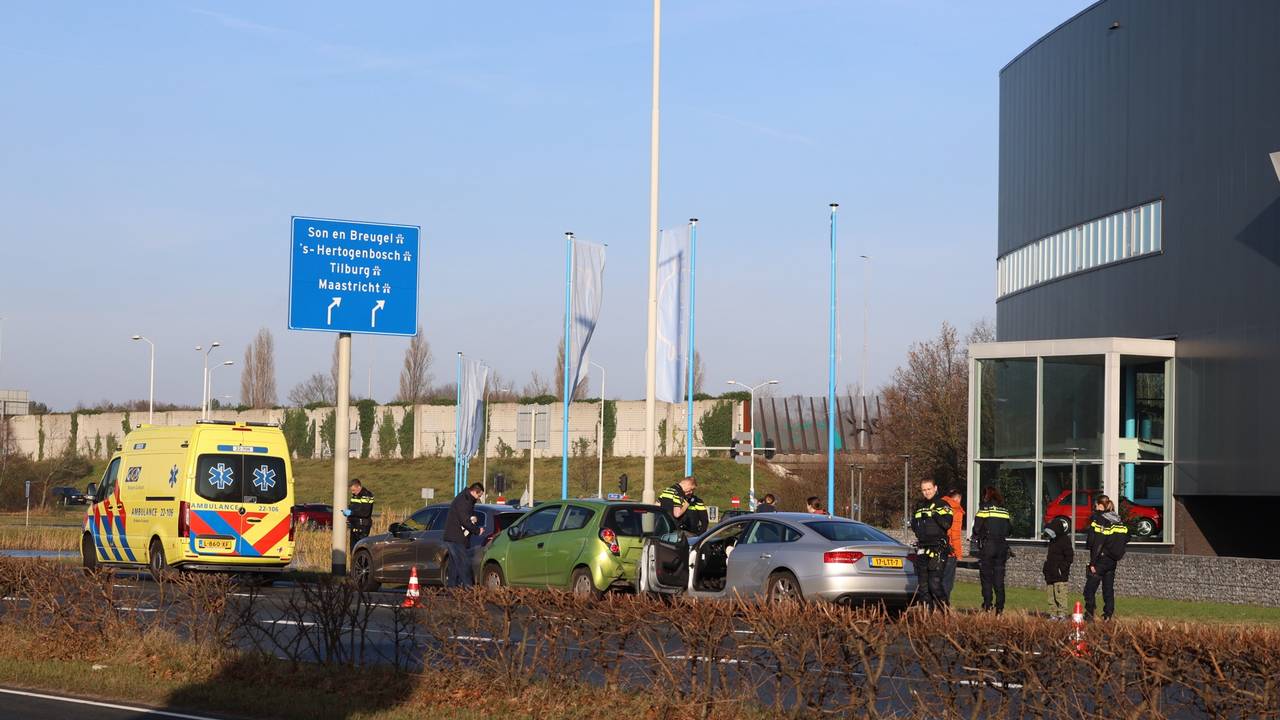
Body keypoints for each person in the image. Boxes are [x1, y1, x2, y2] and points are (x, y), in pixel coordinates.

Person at [910, 478, 954, 609]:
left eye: (929, 489)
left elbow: (947, 524)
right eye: (924, 490)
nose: (926, 492)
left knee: (934, 584)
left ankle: (945, 615)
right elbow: (913, 523)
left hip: (938, 548)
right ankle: (928, 619)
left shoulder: (943, 505)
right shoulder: (919, 506)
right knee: (923, 588)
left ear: (935, 488)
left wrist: (934, 514)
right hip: (923, 548)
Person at [1083, 494, 1129, 620]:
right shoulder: (1117, 520)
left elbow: (1096, 542)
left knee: (1089, 589)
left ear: (1099, 505)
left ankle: (1089, 615)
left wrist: (1093, 563)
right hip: (1112, 561)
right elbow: (1126, 538)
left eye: (1096, 505)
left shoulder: (1100, 520)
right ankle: (1108, 615)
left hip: (1101, 560)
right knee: (1108, 589)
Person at [972, 487, 1012, 614]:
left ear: (986, 496)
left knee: (986, 578)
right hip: (1002, 547)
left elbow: (976, 529)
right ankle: (999, 607)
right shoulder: (1004, 511)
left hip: (988, 546)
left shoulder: (984, 509)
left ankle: (987, 605)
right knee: (999, 579)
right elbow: (1009, 530)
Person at [443, 482, 486, 587]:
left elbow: (465, 517)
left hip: (454, 537)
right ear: (474, 492)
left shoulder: (466, 499)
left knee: (454, 566)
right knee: (464, 563)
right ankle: (468, 589)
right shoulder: (464, 501)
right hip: (456, 537)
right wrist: (477, 530)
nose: (479, 498)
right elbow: (464, 521)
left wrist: (472, 518)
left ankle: (453, 589)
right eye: (479, 496)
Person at [1041, 514, 1074, 619]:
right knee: (1051, 596)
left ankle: (1062, 614)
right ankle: (1053, 614)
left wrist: (1062, 568)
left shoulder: (1065, 540)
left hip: (1060, 575)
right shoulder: (1052, 541)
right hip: (1050, 574)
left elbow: (1069, 557)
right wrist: (1046, 569)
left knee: (1060, 595)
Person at [941, 488, 965, 598]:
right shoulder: (956, 509)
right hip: (949, 550)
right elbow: (955, 534)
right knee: (947, 580)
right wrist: (958, 554)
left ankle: (933, 606)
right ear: (957, 498)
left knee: (936, 579)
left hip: (936, 548)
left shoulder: (939, 505)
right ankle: (943, 607)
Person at [342, 479, 374, 549]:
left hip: (362, 527)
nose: (352, 492)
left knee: (360, 549)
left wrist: (351, 513)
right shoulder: (354, 496)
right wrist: (349, 517)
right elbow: (352, 507)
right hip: (354, 526)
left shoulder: (366, 495)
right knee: (353, 550)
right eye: (351, 490)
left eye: (354, 490)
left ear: (359, 487)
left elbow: (365, 512)